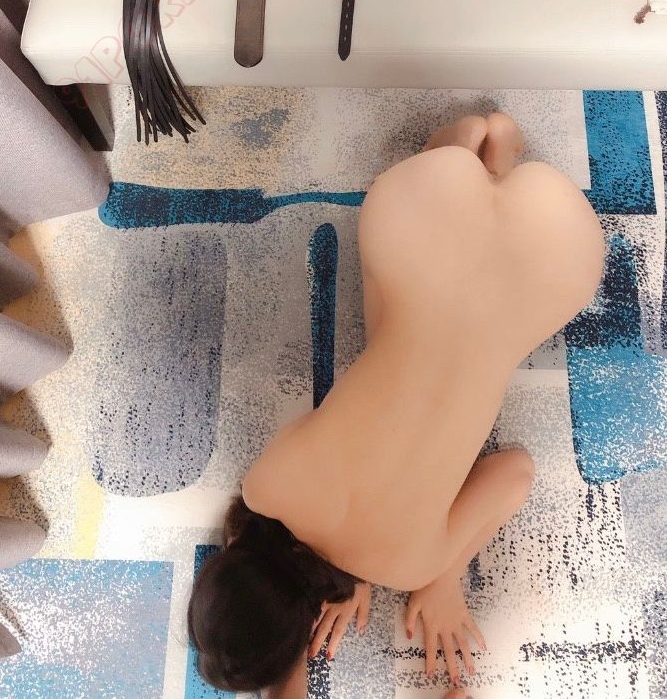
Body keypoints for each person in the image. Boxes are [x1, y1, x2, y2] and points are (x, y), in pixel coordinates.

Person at [187, 113, 605, 698]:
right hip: (427, 203)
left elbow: (516, 471)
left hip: (560, 249)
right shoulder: (267, 486)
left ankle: (503, 160)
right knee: (388, 338)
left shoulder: (409, 562)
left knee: (410, 343)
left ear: (308, 624)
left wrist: (440, 575)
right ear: (229, 559)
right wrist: (342, 566)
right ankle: (471, 144)